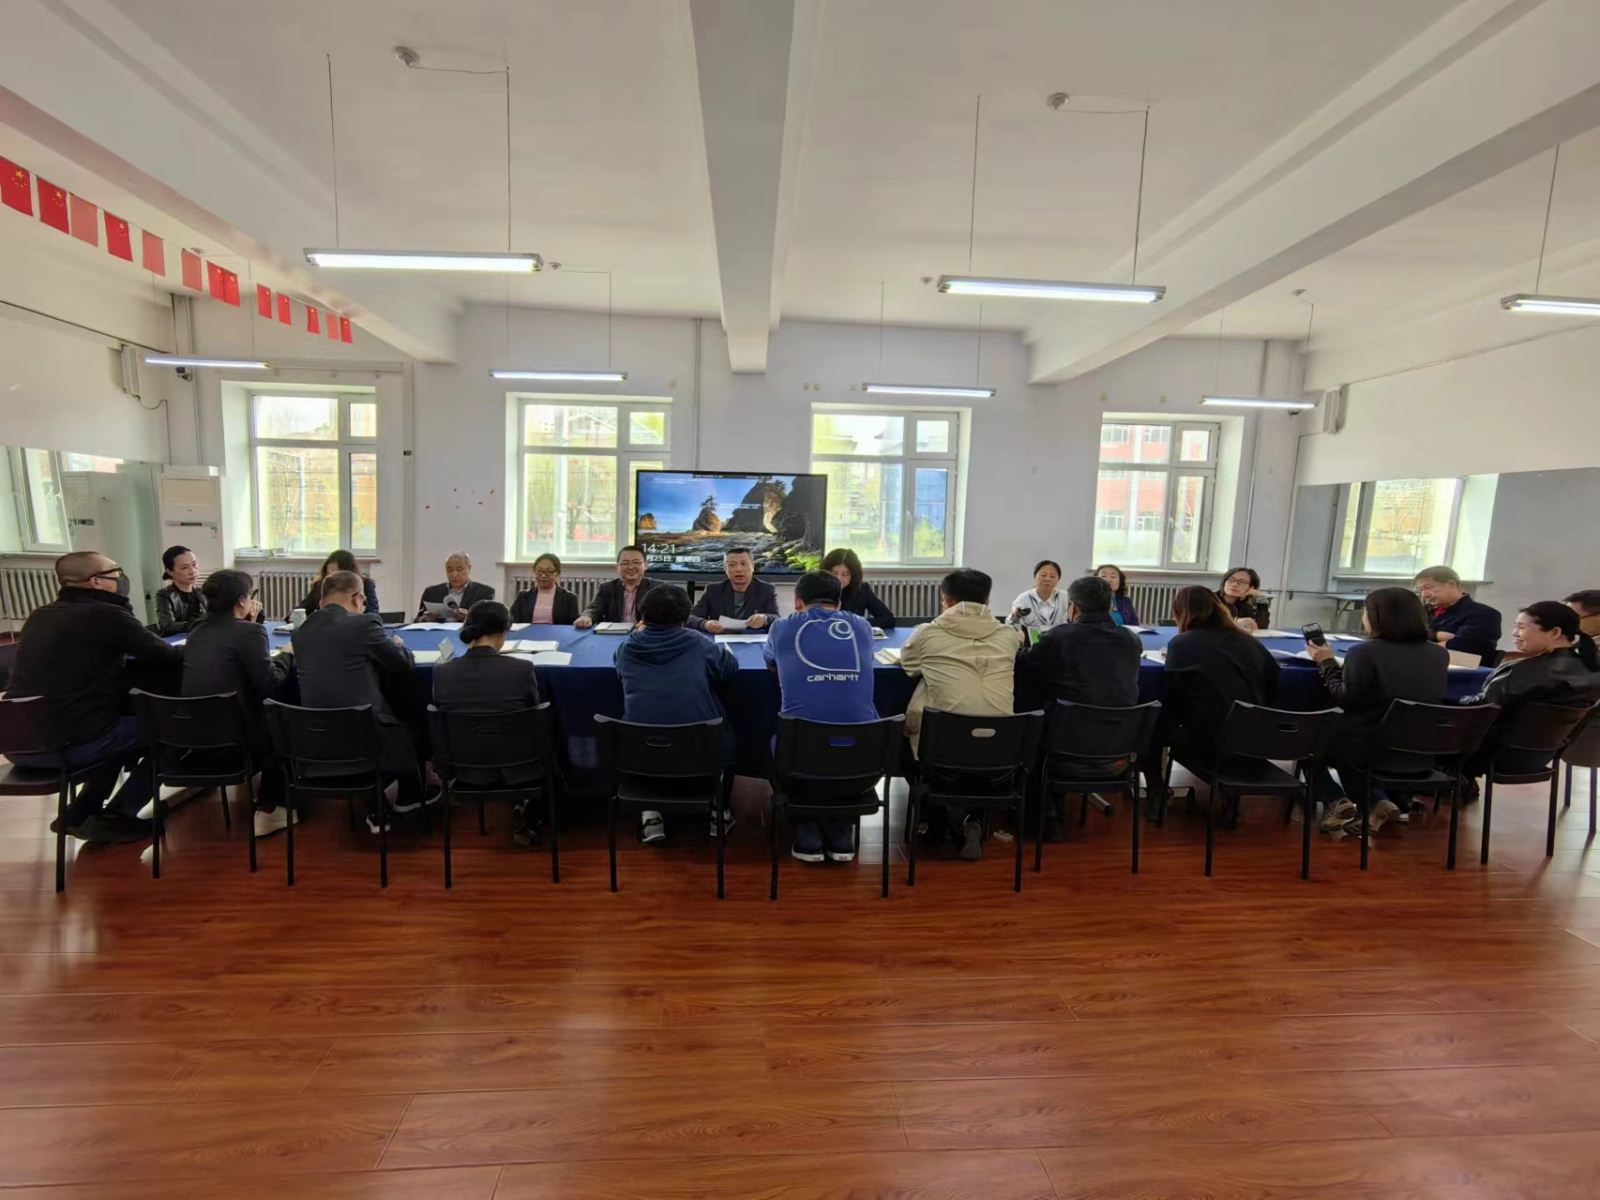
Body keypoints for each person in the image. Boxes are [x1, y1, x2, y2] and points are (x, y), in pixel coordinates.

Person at [7, 551, 184, 842]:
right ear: (97, 581)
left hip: (20, 744)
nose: (121, 578)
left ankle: (81, 811)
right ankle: (120, 814)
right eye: (115, 572)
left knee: (119, 730)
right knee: (171, 729)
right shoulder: (107, 614)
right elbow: (165, 653)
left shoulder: (40, 615)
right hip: (68, 745)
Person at [1305, 586, 1448, 835]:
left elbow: (1346, 698)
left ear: (1376, 617)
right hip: (1421, 748)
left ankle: (1338, 800)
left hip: (1368, 748)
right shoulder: (1438, 654)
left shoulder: (1364, 652)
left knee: (1308, 741)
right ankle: (1376, 801)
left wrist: (1325, 661)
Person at [291, 569, 426, 828]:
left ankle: (377, 805)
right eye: (363, 600)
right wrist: (398, 645)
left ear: (322, 601)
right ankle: (409, 799)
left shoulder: (300, 633)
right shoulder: (363, 624)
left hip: (315, 742)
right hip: (367, 740)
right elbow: (401, 663)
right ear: (356, 597)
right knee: (412, 717)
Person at [900, 568, 1018, 861]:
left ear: (948, 601)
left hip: (941, 749)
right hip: (1000, 751)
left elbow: (909, 666)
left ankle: (935, 816)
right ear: (987, 601)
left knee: (907, 733)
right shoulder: (1008, 636)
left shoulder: (927, 633)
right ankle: (973, 819)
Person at [764, 570, 880, 863]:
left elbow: (770, 660)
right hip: (864, 760)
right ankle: (841, 832)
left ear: (798, 601)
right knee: (840, 745)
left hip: (800, 757)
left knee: (785, 741)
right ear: (839, 603)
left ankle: (809, 831)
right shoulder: (862, 626)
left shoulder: (782, 627)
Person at [1020, 574, 1142, 841]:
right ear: (1110, 606)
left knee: (1029, 719)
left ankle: (1045, 817)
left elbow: (1026, 669)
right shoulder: (1130, 641)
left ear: (1072, 607)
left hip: (1064, 753)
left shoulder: (1058, 638)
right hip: (1118, 756)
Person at [612, 585, 738, 844]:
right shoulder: (696, 642)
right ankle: (719, 811)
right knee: (726, 729)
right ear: (684, 617)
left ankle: (650, 814)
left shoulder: (628, 646)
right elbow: (728, 668)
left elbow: (618, 669)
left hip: (641, 750)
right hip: (699, 748)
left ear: (643, 615)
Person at [180, 569, 296, 837]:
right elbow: (270, 681)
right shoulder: (250, 633)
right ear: (243, 600)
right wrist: (286, 654)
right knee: (284, 720)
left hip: (191, 739)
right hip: (238, 743)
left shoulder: (197, 630)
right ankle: (271, 807)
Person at [1154, 586, 1281, 821]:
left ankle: (1156, 792)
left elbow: (1173, 695)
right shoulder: (1249, 642)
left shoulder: (1182, 643)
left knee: (1151, 722)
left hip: (1208, 741)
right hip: (1254, 739)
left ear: (1180, 612)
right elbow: (1274, 685)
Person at [432, 600, 545, 846]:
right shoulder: (522, 669)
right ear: (504, 631)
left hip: (463, 768)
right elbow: (533, 716)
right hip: (517, 766)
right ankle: (536, 815)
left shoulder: (442, 672)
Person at [1457, 601, 1600, 790]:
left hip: (1494, 756)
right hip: (1541, 756)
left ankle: (1448, 791)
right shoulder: (1590, 670)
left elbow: (1479, 708)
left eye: (1521, 627)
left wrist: (1452, 700)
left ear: (1555, 632)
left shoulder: (1525, 672)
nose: (1514, 633)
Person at [1414, 565, 1500, 666]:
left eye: (1428, 587)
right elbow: (1406, 634)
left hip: (1464, 670)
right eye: (1420, 590)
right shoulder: (1425, 611)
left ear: (1451, 584)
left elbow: (1461, 646)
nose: (1424, 594)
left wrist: (1418, 645)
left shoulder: (1484, 614)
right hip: (1426, 665)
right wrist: (1436, 635)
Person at [689, 547, 779, 633]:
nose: (738, 569)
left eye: (743, 564)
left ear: (753, 566)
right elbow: (689, 618)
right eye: (732, 565)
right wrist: (705, 624)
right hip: (721, 638)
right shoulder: (713, 590)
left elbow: (776, 618)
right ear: (725, 569)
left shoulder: (766, 589)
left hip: (753, 638)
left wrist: (764, 619)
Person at [575, 545, 658, 629]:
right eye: (625, 563)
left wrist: (649, 623)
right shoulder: (607, 587)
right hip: (614, 633)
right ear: (617, 567)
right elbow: (594, 608)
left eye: (636, 562)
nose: (630, 567)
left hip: (642, 633)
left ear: (645, 565)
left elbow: (663, 613)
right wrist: (587, 616)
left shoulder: (657, 588)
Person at [821, 548, 894, 630]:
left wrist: (857, 622)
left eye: (845, 574)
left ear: (853, 575)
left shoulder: (862, 589)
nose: (838, 578)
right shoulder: (817, 589)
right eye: (834, 573)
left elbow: (888, 619)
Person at [415, 551, 495, 622]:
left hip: (467, 633)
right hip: (438, 632)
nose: (454, 574)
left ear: (469, 568)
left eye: (459, 569)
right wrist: (424, 619)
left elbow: (490, 622)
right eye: (450, 570)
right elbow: (417, 620)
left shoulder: (485, 592)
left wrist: (469, 617)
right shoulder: (431, 592)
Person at [298, 549, 380, 616]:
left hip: (355, 626)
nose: (330, 578)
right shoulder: (321, 585)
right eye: (328, 573)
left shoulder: (366, 584)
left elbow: (372, 612)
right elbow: (303, 608)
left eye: (335, 574)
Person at [510, 553, 580, 625]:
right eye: (539, 571)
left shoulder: (569, 598)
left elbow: (572, 626)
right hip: (528, 632)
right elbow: (511, 621)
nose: (543, 575)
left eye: (549, 571)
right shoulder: (523, 596)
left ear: (557, 573)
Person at [154, 545, 203, 636]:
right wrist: (198, 623)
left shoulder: (202, 593)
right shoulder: (164, 594)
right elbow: (166, 626)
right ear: (170, 572)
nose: (192, 571)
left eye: (194, 564)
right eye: (184, 567)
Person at [1007, 560, 1068, 632]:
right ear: (1035, 576)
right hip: (1032, 638)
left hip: (1059, 637)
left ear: (1058, 579)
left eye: (1052, 576)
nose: (1047, 579)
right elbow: (1011, 624)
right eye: (1043, 575)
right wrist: (1016, 616)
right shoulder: (1024, 598)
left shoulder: (1065, 597)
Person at [1217, 566, 1271, 631]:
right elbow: (1207, 624)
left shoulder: (1244, 605)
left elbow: (1260, 627)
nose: (1234, 584)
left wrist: (1262, 599)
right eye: (1231, 580)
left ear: (1251, 588)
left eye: (1241, 582)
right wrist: (1235, 621)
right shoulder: (1209, 599)